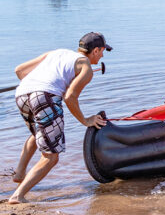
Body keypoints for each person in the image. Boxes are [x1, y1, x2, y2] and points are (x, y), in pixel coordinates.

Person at [9, 32, 110, 204]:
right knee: (51, 156)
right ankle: (18, 196)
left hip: (22, 94)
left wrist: (37, 87)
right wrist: (86, 120)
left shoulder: (57, 52)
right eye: (102, 51)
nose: (102, 55)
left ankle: (19, 173)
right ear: (95, 50)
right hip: (45, 96)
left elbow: (19, 70)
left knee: (38, 134)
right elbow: (70, 97)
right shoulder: (85, 66)